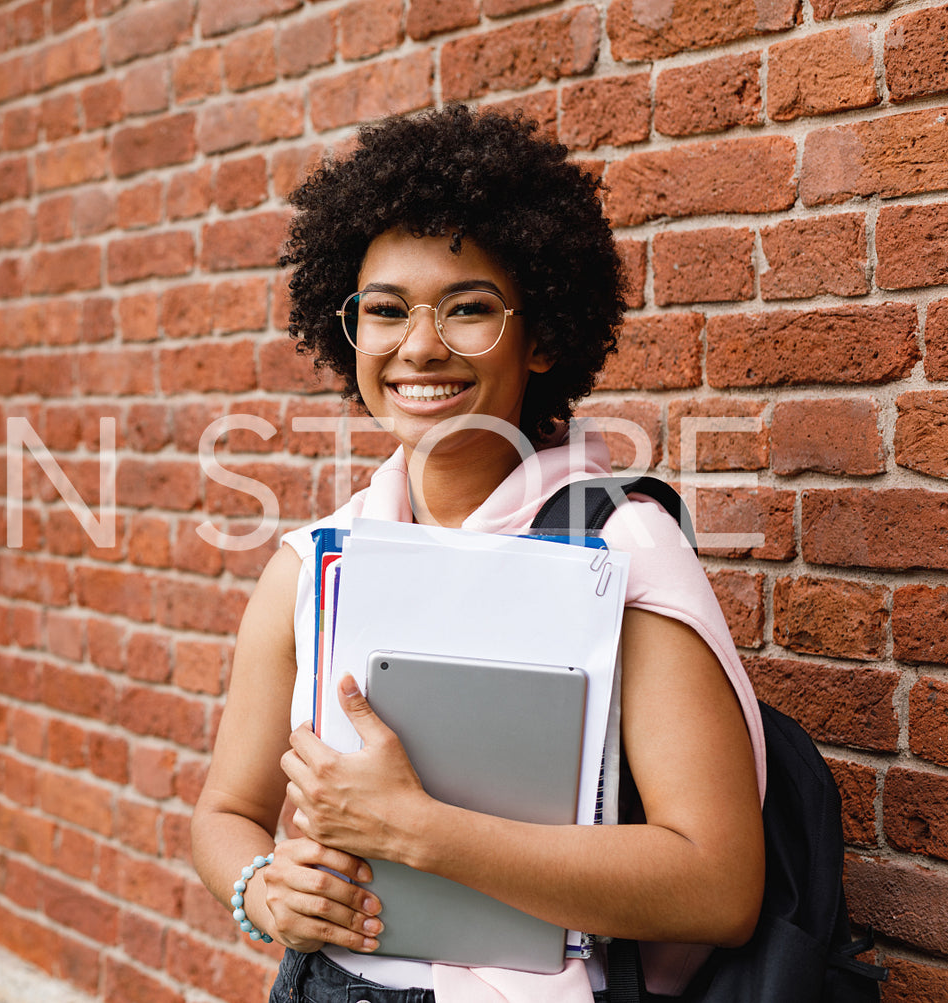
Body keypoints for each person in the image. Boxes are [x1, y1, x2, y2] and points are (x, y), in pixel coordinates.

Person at [190, 106, 767, 1003]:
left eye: (468, 310)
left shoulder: (619, 552)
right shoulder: (312, 565)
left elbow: (718, 885)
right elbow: (225, 813)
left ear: (541, 339)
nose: (419, 346)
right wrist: (264, 891)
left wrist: (420, 831)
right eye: (383, 311)